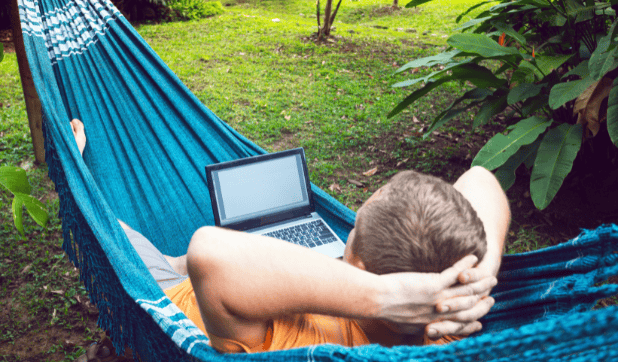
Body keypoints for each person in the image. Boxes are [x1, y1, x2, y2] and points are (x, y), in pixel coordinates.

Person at [70, 119, 508, 355]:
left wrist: (382, 294)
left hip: (167, 300)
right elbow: (482, 177)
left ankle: (76, 168)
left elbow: (210, 251)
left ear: (359, 271)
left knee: (107, 228)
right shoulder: (446, 324)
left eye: (353, 228)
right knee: (179, 254)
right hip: (217, 280)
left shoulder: (295, 343)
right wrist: (473, 280)